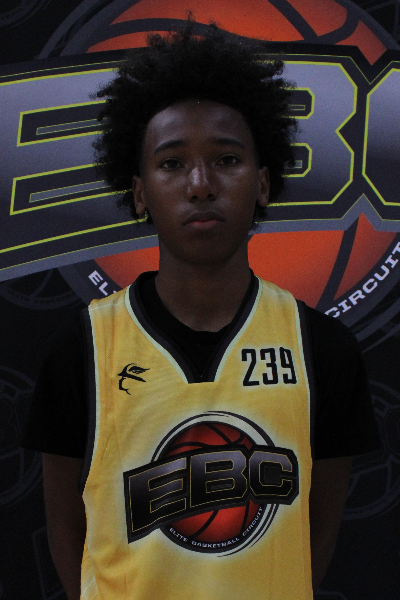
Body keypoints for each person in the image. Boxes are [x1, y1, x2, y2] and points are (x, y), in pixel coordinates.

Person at [21, 19, 380, 600]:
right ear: (140, 192)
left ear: (263, 183)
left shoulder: (322, 348)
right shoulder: (83, 348)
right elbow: (66, 531)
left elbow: (317, 534)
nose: (200, 184)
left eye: (227, 160)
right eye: (171, 164)